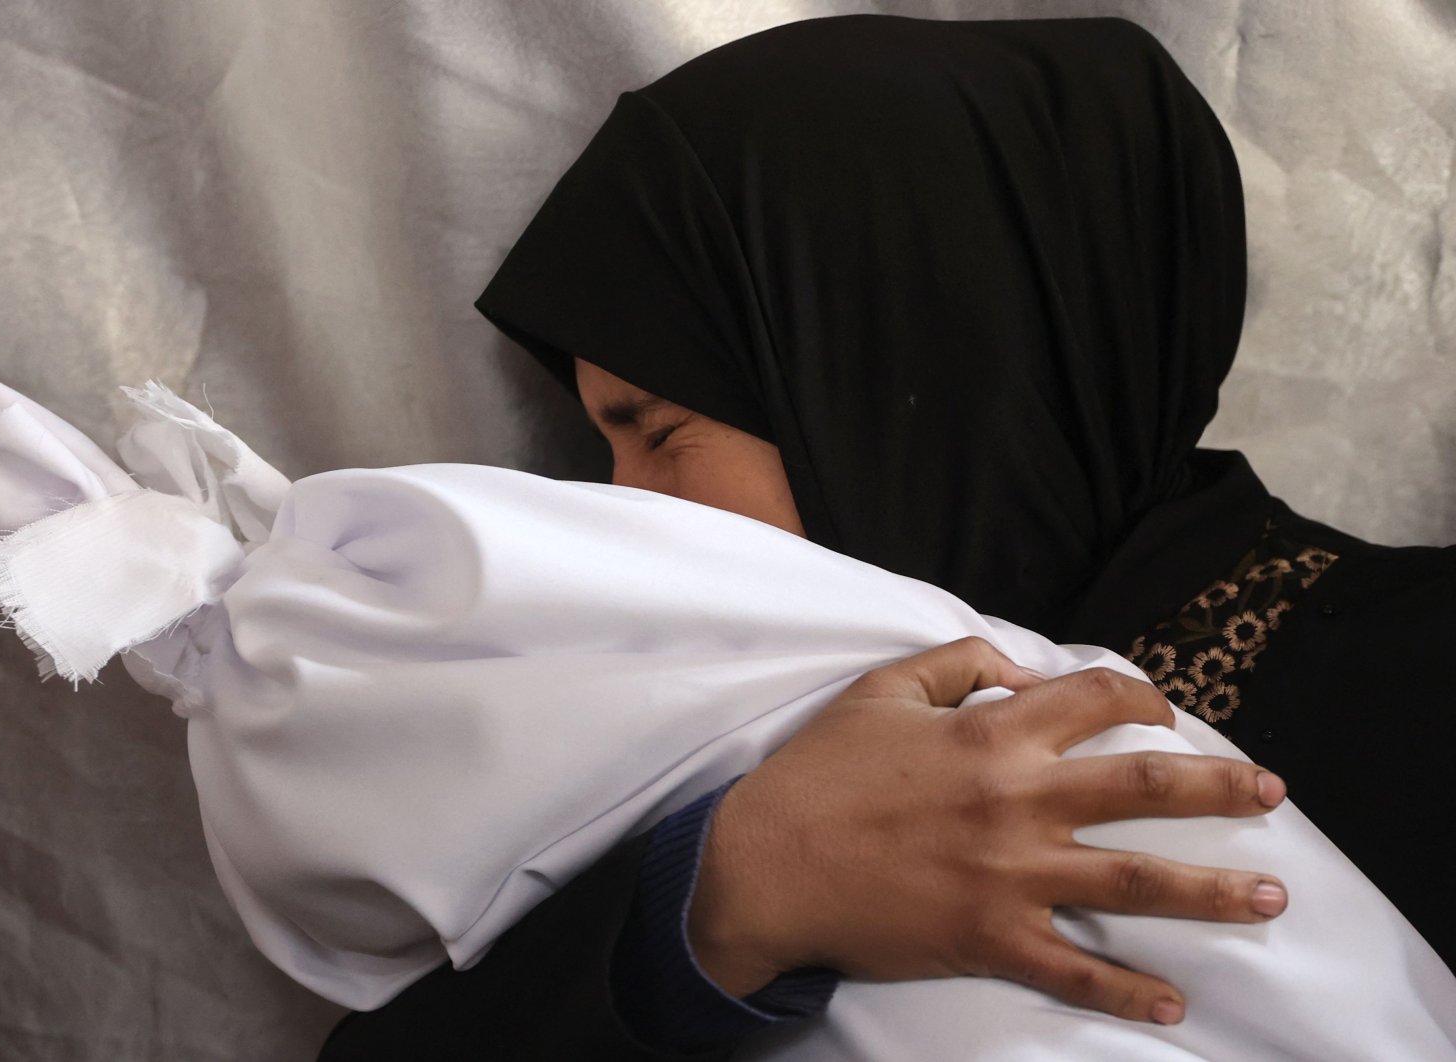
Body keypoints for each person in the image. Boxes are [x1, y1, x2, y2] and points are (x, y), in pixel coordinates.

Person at [318, 13, 1456, 1060]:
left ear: (913, 364)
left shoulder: (1419, 677)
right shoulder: (699, 759)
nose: (626, 508)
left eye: (659, 432)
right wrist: (726, 899)